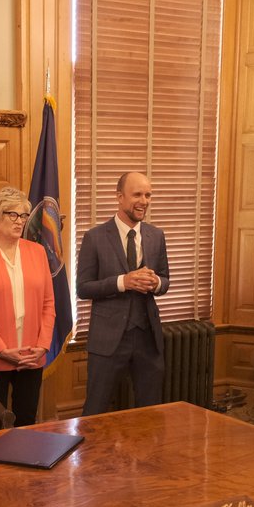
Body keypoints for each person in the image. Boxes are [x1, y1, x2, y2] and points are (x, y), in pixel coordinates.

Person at [77, 171, 170, 416]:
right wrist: (123, 282)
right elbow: (83, 287)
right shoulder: (94, 237)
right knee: (95, 410)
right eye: (137, 194)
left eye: (148, 195)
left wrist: (155, 282)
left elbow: (165, 281)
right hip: (108, 340)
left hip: (148, 339)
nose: (144, 201)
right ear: (119, 197)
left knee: (150, 414)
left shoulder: (156, 236)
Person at [0, 187, 56, 426]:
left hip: (31, 355)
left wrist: (43, 345)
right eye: (12, 215)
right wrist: (2, 349)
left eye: (24, 216)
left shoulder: (37, 252)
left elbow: (49, 304)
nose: (20, 221)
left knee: (26, 419)